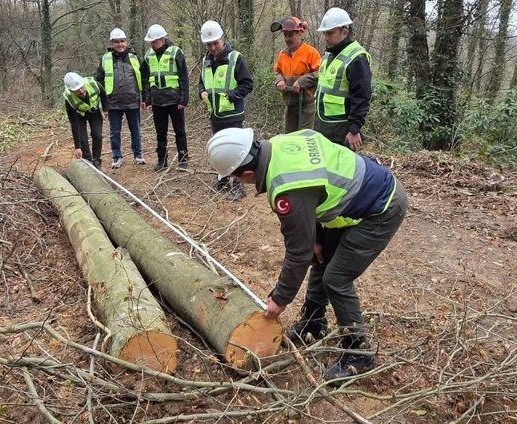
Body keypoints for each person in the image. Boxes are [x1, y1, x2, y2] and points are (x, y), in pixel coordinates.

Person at [206, 127, 407, 380]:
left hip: (381, 208)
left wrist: (279, 299)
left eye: (236, 178)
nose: (239, 183)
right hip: (351, 197)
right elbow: (314, 194)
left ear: (247, 173)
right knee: (320, 259)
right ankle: (314, 323)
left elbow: (297, 252)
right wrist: (316, 238)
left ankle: (359, 353)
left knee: (336, 278)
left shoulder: (287, 187)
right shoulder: (279, 144)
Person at [197, 20, 254, 201]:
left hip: (232, 114)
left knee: (237, 151)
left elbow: (247, 84)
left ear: (223, 38)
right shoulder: (205, 61)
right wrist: (201, 93)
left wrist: (231, 95)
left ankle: (238, 186)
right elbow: (201, 83)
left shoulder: (236, 58)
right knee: (218, 149)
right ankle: (222, 179)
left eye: (216, 43)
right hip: (215, 114)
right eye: (209, 44)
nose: (213, 47)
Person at [314, 7, 373, 151]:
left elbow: (362, 96)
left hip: (341, 129)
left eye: (330, 33)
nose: (326, 37)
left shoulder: (357, 58)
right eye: (324, 33)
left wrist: (354, 129)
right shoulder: (330, 54)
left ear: (344, 32)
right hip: (324, 125)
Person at [140, 24, 189, 171]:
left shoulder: (176, 52)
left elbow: (183, 78)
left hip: (174, 101)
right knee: (160, 133)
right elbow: (145, 79)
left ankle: (183, 159)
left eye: (154, 41)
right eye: (151, 41)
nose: (152, 44)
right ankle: (162, 160)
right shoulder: (148, 56)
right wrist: (147, 100)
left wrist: (183, 99)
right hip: (157, 101)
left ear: (162, 39)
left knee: (179, 131)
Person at [96, 27, 145, 169]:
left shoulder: (134, 57)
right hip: (113, 102)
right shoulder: (105, 58)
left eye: (122, 41)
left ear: (126, 42)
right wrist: (102, 104)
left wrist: (143, 98)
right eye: (117, 42)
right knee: (114, 132)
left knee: (135, 130)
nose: (120, 44)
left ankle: (138, 154)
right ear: (111, 43)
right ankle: (116, 157)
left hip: (132, 100)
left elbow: (143, 77)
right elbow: (99, 81)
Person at [272, 17, 321, 133]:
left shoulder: (310, 52)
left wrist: (301, 81)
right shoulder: (282, 54)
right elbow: (276, 71)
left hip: (306, 104)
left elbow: (319, 74)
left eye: (290, 35)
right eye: (285, 35)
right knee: (290, 137)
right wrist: (279, 80)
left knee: (305, 138)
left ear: (299, 33)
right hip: (290, 104)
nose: (287, 38)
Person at [63, 72, 105, 168]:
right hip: (79, 116)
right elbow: (73, 123)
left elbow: (103, 95)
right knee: (83, 140)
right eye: (77, 90)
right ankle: (88, 162)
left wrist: (105, 110)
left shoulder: (94, 84)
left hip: (95, 112)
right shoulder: (69, 98)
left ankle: (96, 160)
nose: (81, 91)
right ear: (71, 90)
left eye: (82, 87)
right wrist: (77, 147)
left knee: (97, 135)